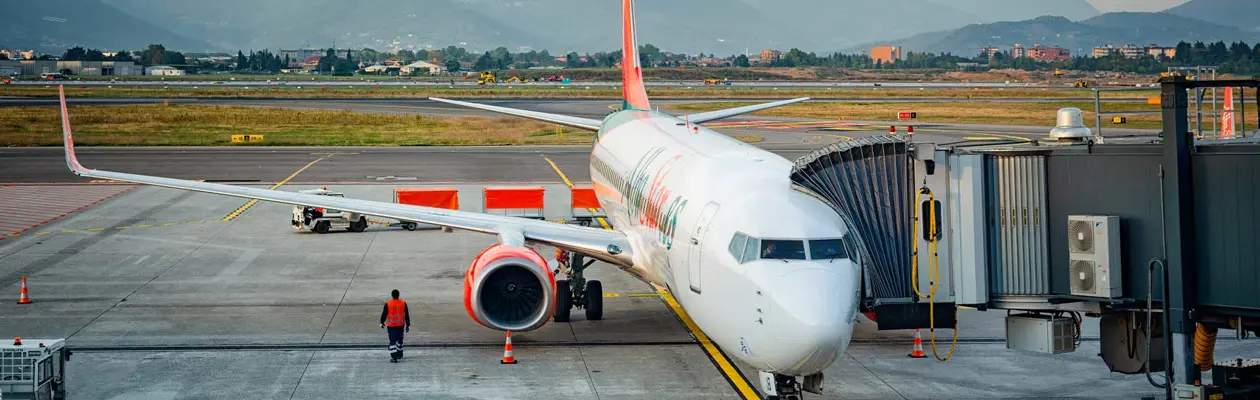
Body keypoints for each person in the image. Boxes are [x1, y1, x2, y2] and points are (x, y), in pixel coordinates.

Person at [380, 289, 411, 362]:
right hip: (400, 326)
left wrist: (382, 322)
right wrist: (408, 325)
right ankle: (400, 354)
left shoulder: (388, 304)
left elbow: (384, 314)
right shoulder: (403, 303)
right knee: (400, 340)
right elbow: (407, 315)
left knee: (392, 341)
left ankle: (394, 357)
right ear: (398, 295)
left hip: (391, 326)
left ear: (392, 295)